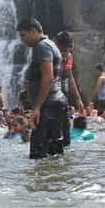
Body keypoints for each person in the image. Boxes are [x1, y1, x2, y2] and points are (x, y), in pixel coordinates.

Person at [17, 18, 68, 159]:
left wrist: (37, 107)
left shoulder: (42, 47)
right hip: (53, 104)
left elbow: (48, 77)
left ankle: (44, 181)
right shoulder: (48, 44)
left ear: (33, 31)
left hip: (48, 106)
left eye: (23, 35)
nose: (22, 40)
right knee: (53, 153)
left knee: (38, 155)